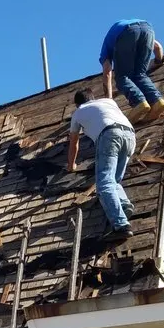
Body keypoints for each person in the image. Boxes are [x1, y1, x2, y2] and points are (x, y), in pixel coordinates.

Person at [67, 88, 135, 241]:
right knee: (114, 180)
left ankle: (121, 224)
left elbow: (74, 143)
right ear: (92, 98)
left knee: (104, 183)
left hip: (109, 135)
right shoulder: (109, 101)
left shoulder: (78, 113)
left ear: (77, 104)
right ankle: (124, 205)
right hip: (130, 135)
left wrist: (71, 165)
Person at [99, 19, 164, 123]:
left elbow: (107, 72)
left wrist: (109, 101)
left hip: (126, 33)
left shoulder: (106, 47)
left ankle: (139, 102)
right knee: (140, 74)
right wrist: (159, 61)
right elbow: (158, 47)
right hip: (148, 29)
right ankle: (157, 101)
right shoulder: (122, 30)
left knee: (122, 77)